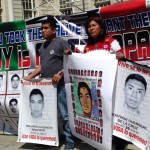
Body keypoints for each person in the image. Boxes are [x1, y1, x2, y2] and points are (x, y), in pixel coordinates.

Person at [24, 15, 74, 150]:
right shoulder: (42, 47)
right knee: (47, 115)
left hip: (59, 85)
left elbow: (70, 62)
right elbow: (42, 66)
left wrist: (60, 74)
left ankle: (69, 141)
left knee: (64, 114)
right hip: (46, 87)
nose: (43, 31)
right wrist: (30, 77)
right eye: (42, 29)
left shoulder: (61, 42)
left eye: (46, 28)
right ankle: (46, 139)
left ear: (54, 30)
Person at [84, 16, 126, 150]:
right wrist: (70, 55)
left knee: (114, 115)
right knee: (101, 116)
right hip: (96, 90)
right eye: (89, 26)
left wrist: (121, 57)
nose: (91, 28)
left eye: (93, 25)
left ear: (101, 27)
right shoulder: (87, 48)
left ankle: (119, 143)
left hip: (112, 87)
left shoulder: (112, 42)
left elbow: (123, 61)